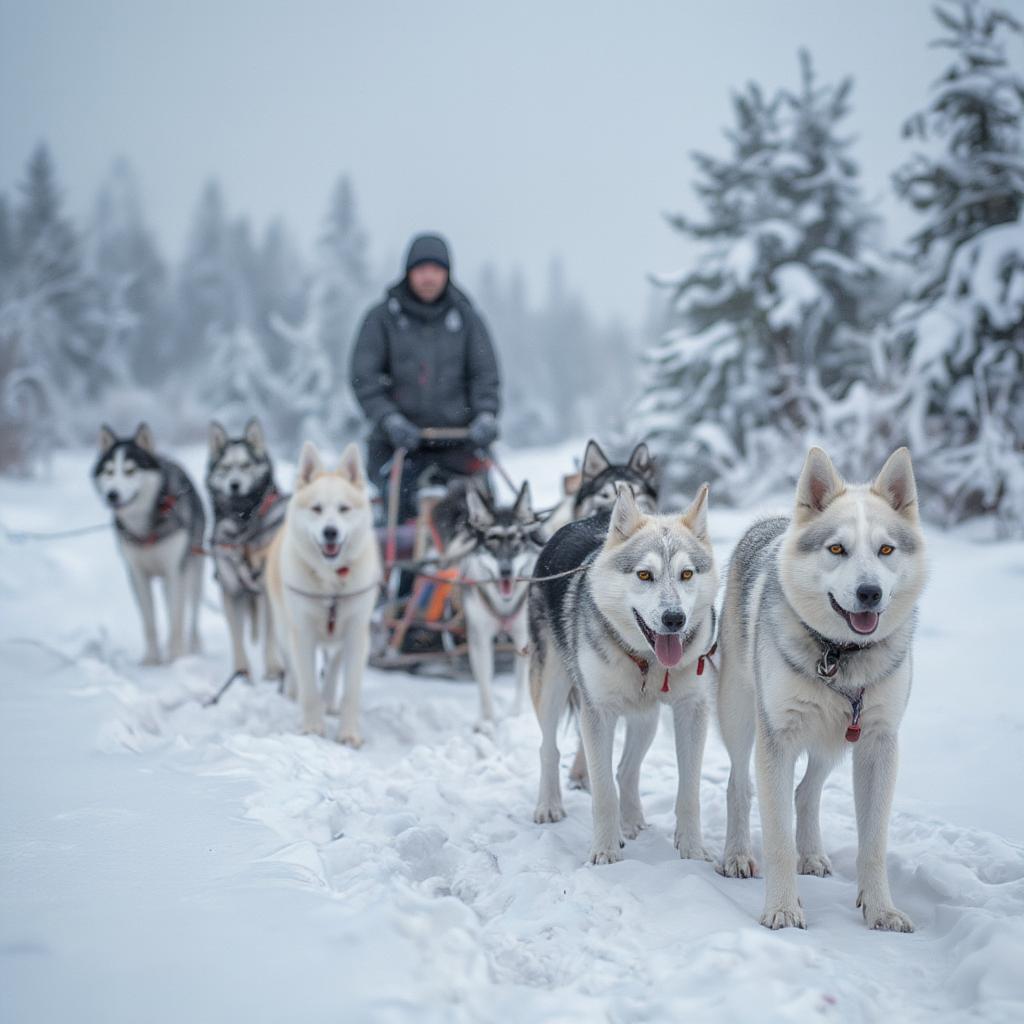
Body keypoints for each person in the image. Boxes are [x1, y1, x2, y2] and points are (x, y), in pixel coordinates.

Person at [350, 233, 501, 522]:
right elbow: (364, 379)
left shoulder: (467, 320)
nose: (429, 277)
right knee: (396, 511)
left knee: (485, 513)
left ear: (447, 273)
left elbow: (486, 377)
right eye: (421, 270)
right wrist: (389, 420)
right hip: (399, 448)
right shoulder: (382, 319)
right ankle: (401, 566)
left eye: (436, 270)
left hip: (461, 445)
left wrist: (485, 416)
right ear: (409, 273)